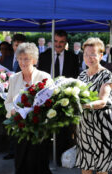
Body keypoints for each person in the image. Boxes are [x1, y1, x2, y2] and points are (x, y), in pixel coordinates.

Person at [4, 42, 53, 174]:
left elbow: (51, 100)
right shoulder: (14, 78)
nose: (23, 62)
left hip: (39, 127)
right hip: (20, 127)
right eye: (20, 59)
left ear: (34, 60)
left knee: (38, 160)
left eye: (26, 59)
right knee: (21, 162)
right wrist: (13, 110)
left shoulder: (44, 77)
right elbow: (8, 100)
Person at [75, 37, 112, 174]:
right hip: (85, 125)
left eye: (93, 54)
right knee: (85, 165)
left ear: (101, 55)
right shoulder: (81, 76)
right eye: (86, 54)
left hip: (102, 125)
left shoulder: (106, 75)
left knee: (100, 165)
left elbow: (103, 101)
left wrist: (82, 105)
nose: (89, 58)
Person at [38, 30, 79, 165]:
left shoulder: (72, 57)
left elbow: (75, 78)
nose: (58, 44)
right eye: (56, 41)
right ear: (52, 41)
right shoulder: (44, 56)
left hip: (64, 97)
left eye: (61, 42)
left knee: (63, 129)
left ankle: (61, 157)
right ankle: (44, 157)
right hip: (45, 96)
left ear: (66, 42)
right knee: (45, 128)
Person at [2, 33, 27, 160]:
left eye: (21, 45)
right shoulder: (5, 59)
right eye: (16, 45)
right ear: (12, 45)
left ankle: (21, 150)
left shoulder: (28, 60)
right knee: (9, 123)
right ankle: (11, 150)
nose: (18, 47)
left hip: (22, 96)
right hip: (7, 95)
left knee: (20, 124)